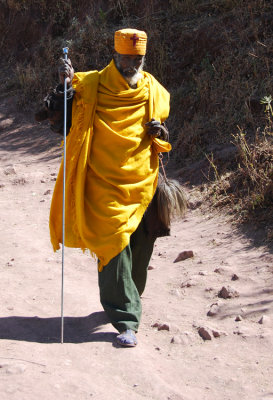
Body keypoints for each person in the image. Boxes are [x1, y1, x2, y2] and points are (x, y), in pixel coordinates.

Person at [47, 28, 174, 347]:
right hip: (103, 185)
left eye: (137, 59)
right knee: (115, 246)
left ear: (144, 58)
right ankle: (126, 319)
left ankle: (129, 295)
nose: (132, 64)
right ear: (115, 56)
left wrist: (161, 131)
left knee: (141, 252)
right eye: (126, 58)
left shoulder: (154, 90)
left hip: (143, 184)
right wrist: (66, 84)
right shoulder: (90, 85)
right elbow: (60, 118)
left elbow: (163, 136)